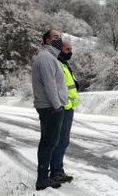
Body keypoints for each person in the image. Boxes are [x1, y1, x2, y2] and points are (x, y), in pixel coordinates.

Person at [31, 30, 68, 191]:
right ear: (47, 41)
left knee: (49, 141)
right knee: (48, 142)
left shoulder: (50, 57)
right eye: (55, 37)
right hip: (50, 107)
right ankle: (42, 178)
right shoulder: (46, 58)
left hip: (50, 106)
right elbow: (50, 84)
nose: (59, 39)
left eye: (59, 37)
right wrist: (57, 105)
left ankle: (44, 177)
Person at [50, 39, 80, 183]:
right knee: (58, 141)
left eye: (71, 49)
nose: (70, 52)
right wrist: (59, 105)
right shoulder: (56, 64)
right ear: (60, 50)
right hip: (61, 107)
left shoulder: (64, 64)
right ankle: (55, 172)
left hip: (68, 108)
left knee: (63, 141)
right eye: (67, 50)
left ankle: (59, 170)